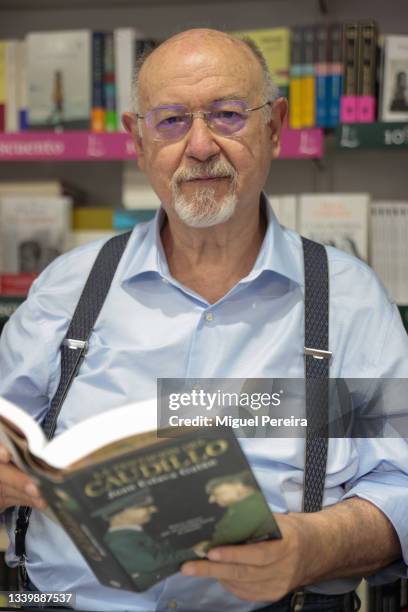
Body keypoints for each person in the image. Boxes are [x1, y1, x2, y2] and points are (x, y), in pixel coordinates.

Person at [0, 27, 407, 612]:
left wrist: (314, 546)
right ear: (137, 142)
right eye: (170, 120)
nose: (199, 146)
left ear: (275, 127)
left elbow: (402, 482)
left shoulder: (349, 301)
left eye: (228, 115)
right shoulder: (69, 288)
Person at [96, 491, 200, 591]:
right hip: (157, 587)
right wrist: (192, 552)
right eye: (144, 506)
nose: (154, 509)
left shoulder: (134, 533)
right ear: (119, 515)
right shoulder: (119, 541)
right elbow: (153, 563)